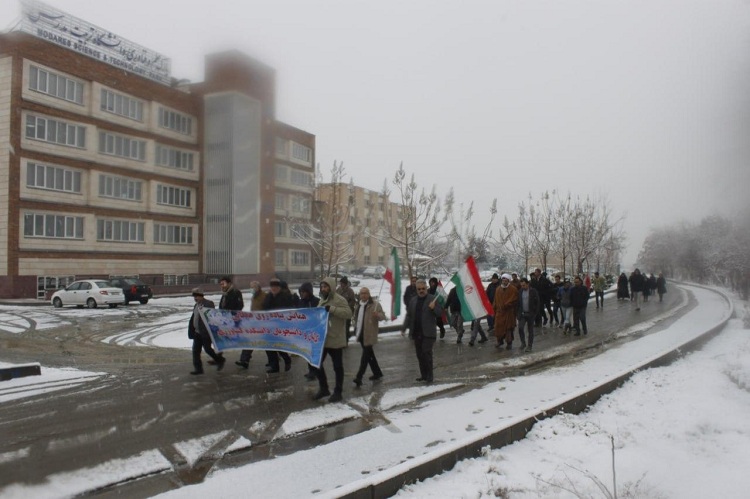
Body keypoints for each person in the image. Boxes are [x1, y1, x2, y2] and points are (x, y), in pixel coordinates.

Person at [315, 277, 352, 402]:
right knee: (316, 364)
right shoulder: (322, 300)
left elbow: (348, 313)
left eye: (325, 286)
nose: (323, 289)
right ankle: (324, 388)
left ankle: (338, 392)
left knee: (337, 367)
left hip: (335, 339)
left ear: (331, 287)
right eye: (322, 287)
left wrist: (332, 309)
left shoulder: (339, 299)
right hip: (324, 339)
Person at [403, 279, 444, 383]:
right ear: (416, 290)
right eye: (419, 289)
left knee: (426, 353)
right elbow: (409, 315)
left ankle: (430, 376)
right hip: (417, 332)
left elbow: (439, 313)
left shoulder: (432, 299)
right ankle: (424, 375)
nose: (421, 291)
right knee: (420, 355)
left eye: (423, 288)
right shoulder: (413, 300)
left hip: (428, 332)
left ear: (426, 288)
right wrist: (404, 327)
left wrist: (433, 308)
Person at [352, 287, 386, 386]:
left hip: (370, 334)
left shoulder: (374, 304)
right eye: (362, 293)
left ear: (369, 294)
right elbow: (356, 317)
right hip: (360, 333)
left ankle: (359, 377)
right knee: (370, 355)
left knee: (365, 356)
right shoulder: (359, 305)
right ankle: (377, 372)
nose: (363, 295)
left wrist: (377, 315)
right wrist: (355, 326)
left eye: (365, 293)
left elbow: (383, 316)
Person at [188, 288, 225, 374]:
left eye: (197, 296)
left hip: (205, 332)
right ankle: (198, 369)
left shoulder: (208, 303)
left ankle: (219, 360)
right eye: (194, 297)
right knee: (195, 351)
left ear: (201, 296)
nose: (195, 298)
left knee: (207, 349)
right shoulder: (196, 305)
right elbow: (194, 317)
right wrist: (192, 328)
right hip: (197, 332)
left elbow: (211, 315)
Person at [263, 277, 293, 373]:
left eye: (276, 287)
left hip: (281, 325)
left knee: (279, 346)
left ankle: (287, 359)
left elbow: (289, 309)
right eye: (272, 287)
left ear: (279, 287)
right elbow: (264, 308)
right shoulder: (268, 296)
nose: (274, 288)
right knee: (268, 346)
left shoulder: (285, 297)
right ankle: (274, 366)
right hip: (269, 325)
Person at [297, 282, 321, 381]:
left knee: (314, 352)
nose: (302, 294)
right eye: (301, 292)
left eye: (304, 292)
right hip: (305, 330)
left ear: (309, 292)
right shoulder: (301, 302)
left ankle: (315, 371)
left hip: (315, 331)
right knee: (308, 352)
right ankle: (311, 370)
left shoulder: (317, 301)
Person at [493, 273, 519, 350]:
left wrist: (507, 304)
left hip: (508, 312)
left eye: (506, 280)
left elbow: (514, 299)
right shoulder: (498, 289)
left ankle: (509, 343)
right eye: (503, 280)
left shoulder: (513, 289)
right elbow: (495, 300)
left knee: (508, 329)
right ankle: (500, 341)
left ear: (508, 281)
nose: (504, 281)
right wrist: (494, 308)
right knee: (498, 327)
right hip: (499, 312)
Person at [516, 277, 540, 352]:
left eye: (524, 285)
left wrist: (535, 313)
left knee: (530, 330)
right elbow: (518, 303)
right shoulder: (520, 292)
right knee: (520, 328)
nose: (522, 287)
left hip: (530, 314)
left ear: (527, 284)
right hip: (522, 314)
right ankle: (523, 343)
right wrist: (518, 313)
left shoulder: (533, 291)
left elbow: (537, 302)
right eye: (521, 285)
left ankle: (529, 345)